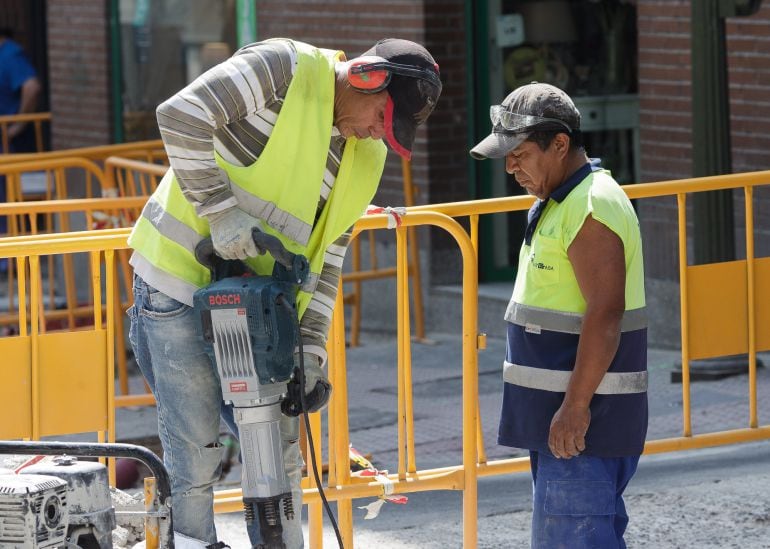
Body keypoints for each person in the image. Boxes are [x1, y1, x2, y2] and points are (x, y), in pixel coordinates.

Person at [127, 37, 441, 548]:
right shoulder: (282, 68)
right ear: (364, 76)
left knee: (276, 450)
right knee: (195, 448)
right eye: (380, 117)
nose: (375, 133)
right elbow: (180, 115)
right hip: (178, 282)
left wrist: (311, 349)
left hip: (258, 307)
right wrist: (220, 211)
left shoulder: (367, 153)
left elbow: (328, 256)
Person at [470, 82, 647, 549]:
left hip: (585, 423)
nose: (510, 167)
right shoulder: (560, 199)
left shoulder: (590, 206)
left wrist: (574, 408)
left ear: (560, 144)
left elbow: (605, 315)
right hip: (569, 422)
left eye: (520, 154)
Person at [0, 27, 41, 250]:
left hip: (8, 142)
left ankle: (9, 257)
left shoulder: (10, 55)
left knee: (8, 198)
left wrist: (18, 124)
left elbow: (31, 86)